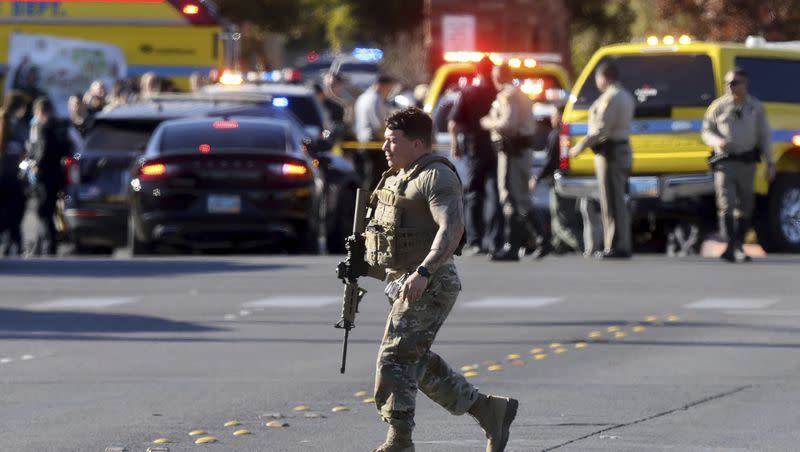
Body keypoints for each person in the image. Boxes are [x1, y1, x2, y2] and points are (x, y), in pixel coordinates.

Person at [363, 107, 518, 452]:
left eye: (393, 141)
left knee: (394, 358)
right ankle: (489, 410)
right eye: (385, 140)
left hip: (431, 283)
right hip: (404, 281)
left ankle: (399, 440)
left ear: (417, 143)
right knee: (418, 362)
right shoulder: (394, 176)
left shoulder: (436, 177)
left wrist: (423, 272)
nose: (385, 148)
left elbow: (452, 228)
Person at [701, 67, 775, 263]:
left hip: (747, 163)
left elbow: (764, 136)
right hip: (725, 163)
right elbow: (706, 131)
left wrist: (770, 162)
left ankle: (739, 245)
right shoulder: (718, 107)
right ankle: (730, 246)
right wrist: (716, 141)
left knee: (746, 205)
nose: (730, 87)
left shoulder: (755, 107)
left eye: (734, 83)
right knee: (727, 204)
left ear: (745, 84)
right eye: (727, 83)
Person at [480, 64, 549, 261]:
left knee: (510, 197)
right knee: (521, 197)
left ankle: (514, 245)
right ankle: (541, 240)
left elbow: (508, 124)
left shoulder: (507, 96)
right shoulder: (520, 94)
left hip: (512, 152)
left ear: (498, 77)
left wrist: (489, 123)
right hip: (520, 151)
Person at [568, 61, 635, 259]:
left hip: (610, 153)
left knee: (610, 201)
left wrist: (579, 147)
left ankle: (614, 245)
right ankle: (620, 243)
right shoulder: (625, 95)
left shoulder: (610, 97)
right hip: (620, 150)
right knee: (618, 200)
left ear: (603, 77)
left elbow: (601, 129)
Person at [448, 57, 504, 256]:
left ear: (477, 71)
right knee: (497, 194)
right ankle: (496, 239)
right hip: (498, 148)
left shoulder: (468, 92)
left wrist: (455, 144)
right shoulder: (499, 92)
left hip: (475, 149)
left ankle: (475, 239)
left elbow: (454, 123)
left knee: (474, 194)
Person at [530, 106, 583, 254]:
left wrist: (537, 178)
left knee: (560, 221)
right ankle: (558, 246)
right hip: (570, 179)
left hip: (557, 181)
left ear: (560, 116)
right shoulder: (567, 133)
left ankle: (581, 245)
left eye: (554, 115)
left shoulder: (555, 135)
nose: (552, 119)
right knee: (563, 215)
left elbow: (550, 162)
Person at [26, 97, 73, 256]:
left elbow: (42, 150)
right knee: (51, 210)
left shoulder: (45, 128)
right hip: (57, 174)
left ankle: (48, 244)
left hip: (45, 175)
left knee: (43, 211)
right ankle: (46, 243)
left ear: (40, 111)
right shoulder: (61, 126)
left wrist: (36, 165)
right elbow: (67, 148)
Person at [353, 74, 397, 189]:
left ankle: (364, 202)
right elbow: (379, 125)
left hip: (362, 141)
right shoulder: (375, 99)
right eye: (389, 88)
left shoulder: (363, 97)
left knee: (368, 175)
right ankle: (368, 203)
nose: (389, 91)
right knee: (375, 177)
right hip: (374, 143)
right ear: (382, 85)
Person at [0, 91, 30, 256]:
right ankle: (15, 245)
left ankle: (7, 244)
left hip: (2, 176)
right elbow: (27, 148)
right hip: (13, 177)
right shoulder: (17, 125)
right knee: (15, 214)